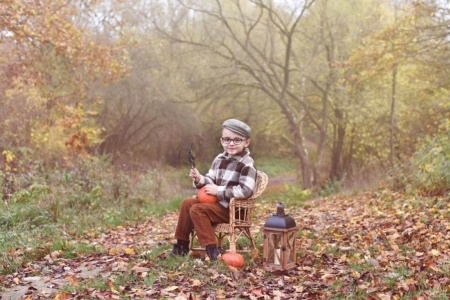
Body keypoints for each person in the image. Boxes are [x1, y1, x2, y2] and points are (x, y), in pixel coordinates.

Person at [171, 119, 257, 260]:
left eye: (237, 140)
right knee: (187, 203)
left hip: (233, 210)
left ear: (246, 142)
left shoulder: (247, 163)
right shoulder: (219, 159)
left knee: (197, 209)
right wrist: (199, 179)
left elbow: (246, 190)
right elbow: (210, 180)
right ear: (221, 140)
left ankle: (212, 250)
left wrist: (219, 190)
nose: (231, 143)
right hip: (215, 206)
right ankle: (181, 245)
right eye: (227, 139)